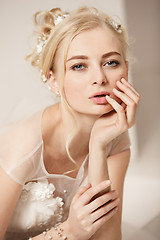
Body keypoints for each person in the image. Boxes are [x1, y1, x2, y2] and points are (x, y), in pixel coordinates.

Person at [0, 6, 140, 240]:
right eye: (78, 66)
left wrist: (98, 146)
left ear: (126, 68)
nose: (99, 78)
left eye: (111, 63)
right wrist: (70, 231)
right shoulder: (24, 144)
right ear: (54, 80)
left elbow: (109, 236)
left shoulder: (114, 134)